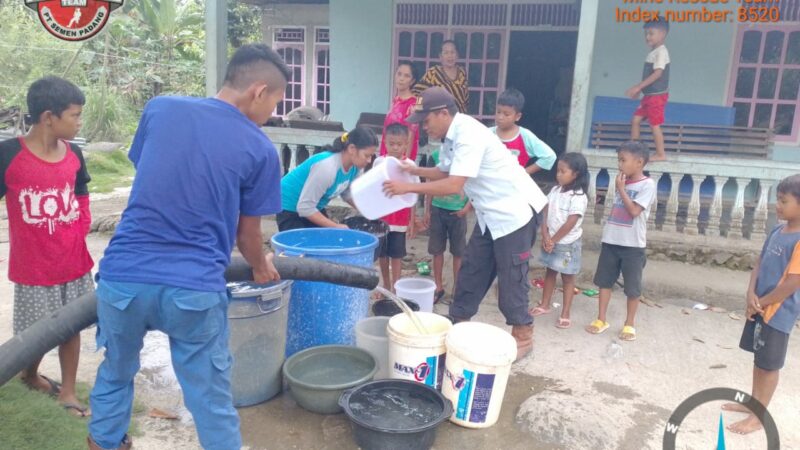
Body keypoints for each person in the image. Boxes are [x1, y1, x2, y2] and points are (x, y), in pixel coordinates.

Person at [88, 44, 288, 450]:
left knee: (116, 373)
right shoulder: (261, 149)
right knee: (210, 399)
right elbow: (247, 237)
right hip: (193, 289)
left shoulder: (161, 108)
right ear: (259, 90)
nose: (272, 113)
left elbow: (156, 173)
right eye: (276, 102)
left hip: (123, 278)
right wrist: (261, 265)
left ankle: (104, 443)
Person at [383, 87, 548, 361]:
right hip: (489, 215)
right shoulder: (450, 137)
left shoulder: (468, 134)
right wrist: (414, 171)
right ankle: (457, 323)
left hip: (515, 213)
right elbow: (446, 170)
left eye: (426, 121)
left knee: (511, 277)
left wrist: (406, 188)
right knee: (473, 269)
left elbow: (453, 185)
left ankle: (523, 333)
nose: (424, 127)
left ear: (443, 113)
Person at [0, 76, 93, 417]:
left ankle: (67, 391)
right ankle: (28, 374)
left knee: (71, 327)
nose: (79, 122)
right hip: (32, 266)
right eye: (75, 115)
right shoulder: (8, 155)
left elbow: (81, 195)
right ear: (49, 117)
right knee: (33, 333)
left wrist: (80, 229)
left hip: (73, 261)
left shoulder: (75, 153)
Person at [723, 174, 800, 435]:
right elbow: (759, 263)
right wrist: (750, 292)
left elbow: (791, 284)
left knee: (770, 365)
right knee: (759, 358)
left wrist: (761, 302)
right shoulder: (777, 231)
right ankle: (753, 403)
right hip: (759, 306)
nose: (777, 205)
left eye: (783, 201)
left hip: (777, 313)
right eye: (777, 199)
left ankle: (759, 416)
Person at [585, 141, 656, 342]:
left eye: (623, 160)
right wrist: (621, 188)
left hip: (633, 245)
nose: (620, 164)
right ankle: (601, 319)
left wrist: (622, 190)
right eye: (619, 160)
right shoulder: (622, 181)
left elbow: (634, 211)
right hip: (611, 240)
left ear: (639, 162)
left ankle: (629, 323)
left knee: (632, 287)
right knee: (604, 282)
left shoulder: (647, 185)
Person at [529, 153, 589, 329]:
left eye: (563, 171)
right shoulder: (555, 190)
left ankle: (565, 313)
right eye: (558, 171)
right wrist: (545, 234)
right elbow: (546, 210)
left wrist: (553, 239)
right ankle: (545, 305)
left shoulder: (578, 196)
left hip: (567, 244)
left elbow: (571, 223)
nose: (558, 175)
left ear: (576, 174)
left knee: (568, 278)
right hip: (552, 239)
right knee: (550, 272)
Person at [277, 126, 377, 231]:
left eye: (371, 156)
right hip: (289, 204)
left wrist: (366, 211)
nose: (369, 161)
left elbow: (347, 193)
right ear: (352, 149)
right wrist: (336, 226)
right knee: (300, 245)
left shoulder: (355, 167)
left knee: (323, 242)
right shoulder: (327, 167)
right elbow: (305, 208)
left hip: (313, 205)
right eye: (366, 155)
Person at [423, 146, 469, 304]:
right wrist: (427, 210)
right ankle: (438, 287)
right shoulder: (435, 155)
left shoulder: (465, 155)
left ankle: (457, 289)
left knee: (458, 252)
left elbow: (475, 183)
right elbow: (430, 184)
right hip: (437, 209)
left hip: (458, 212)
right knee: (437, 250)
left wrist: (467, 208)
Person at [374, 123, 416, 293]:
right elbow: (374, 189)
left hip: (400, 218)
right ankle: (386, 285)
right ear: (385, 143)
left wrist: (412, 221)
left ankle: (396, 287)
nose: (396, 148)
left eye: (399, 144)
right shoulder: (379, 162)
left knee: (397, 254)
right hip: (382, 217)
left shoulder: (410, 165)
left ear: (406, 144)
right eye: (392, 144)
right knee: (382, 254)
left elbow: (414, 193)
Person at [625, 17, 670, 162]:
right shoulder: (653, 52)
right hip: (649, 96)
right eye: (646, 34)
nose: (647, 37)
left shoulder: (661, 52)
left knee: (654, 124)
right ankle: (635, 152)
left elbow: (658, 73)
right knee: (636, 120)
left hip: (657, 96)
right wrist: (641, 90)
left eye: (651, 33)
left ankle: (661, 154)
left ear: (662, 34)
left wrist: (638, 86)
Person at [490, 88, 556, 175]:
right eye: (498, 112)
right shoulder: (487, 134)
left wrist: (523, 174)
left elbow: (549, 156)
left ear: (517, 116)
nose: (500, 117)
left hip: (512, 186)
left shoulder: (525, 136)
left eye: (506, 114)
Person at [413, 40, 469, 114]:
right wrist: (418, 111)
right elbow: (418, 92)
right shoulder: (433, 72)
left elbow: (465, 99)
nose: (450, 56)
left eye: (452, 52)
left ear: (457, 55)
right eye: (446, 53)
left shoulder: (462, 72)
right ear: (440, 57)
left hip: (459, 118)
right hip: (440, 118)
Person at [380, 62, 420, 162]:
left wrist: (404, 161)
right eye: (399, 74)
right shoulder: (396, 100)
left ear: (412, 81)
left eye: (407, 76)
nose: (401, 78)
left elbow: (411, 135)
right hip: (388, 152)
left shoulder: (415, 104)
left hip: (400, 156)